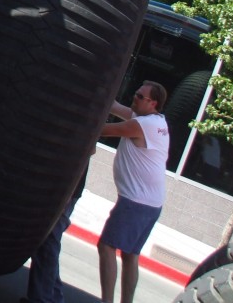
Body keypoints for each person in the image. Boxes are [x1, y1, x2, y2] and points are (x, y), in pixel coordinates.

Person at [97, 81, 169, 303]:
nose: (134, 98)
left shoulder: (142, 125)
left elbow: (102, 129)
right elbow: (116, 107)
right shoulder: (155, 122)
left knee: (106, 246)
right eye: (136, 94)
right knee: (130, 255)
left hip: (136, 202)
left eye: (139, 96)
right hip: (151, 204)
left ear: (152, 102)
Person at [21, 163, 88, 303]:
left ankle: (42, 298)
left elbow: (89, 150)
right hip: (62, 187)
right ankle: (52, 297)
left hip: (65, 189)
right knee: (48, 242)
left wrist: (69, 192)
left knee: (49, 241)